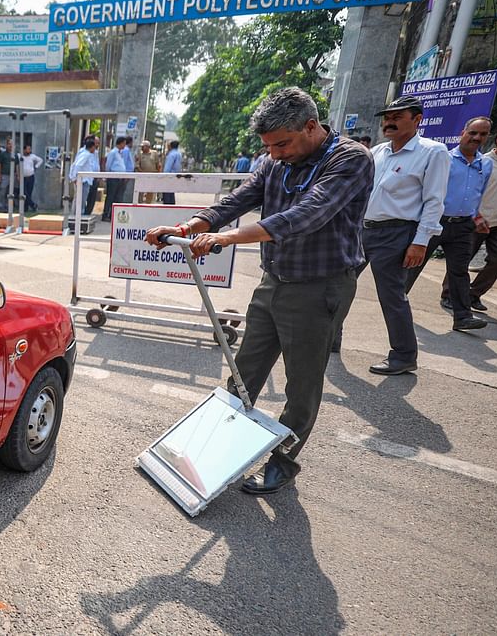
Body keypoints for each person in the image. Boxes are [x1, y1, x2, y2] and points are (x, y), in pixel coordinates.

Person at [145, 87, 372, 495]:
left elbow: (305, 215)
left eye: (282, 144)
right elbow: (238, 199)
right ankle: (227, 446)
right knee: (243, 370)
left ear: (311, 126)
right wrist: (189, 227)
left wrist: (226, 238)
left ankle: (284, 458)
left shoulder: (350, 158)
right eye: (269, 147)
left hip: (319, 287)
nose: (276, 153)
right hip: (274, 282)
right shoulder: (275, 161)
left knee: (302, 384)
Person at [349, 95, 448, 374]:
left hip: (398, 233)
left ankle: (404, 354)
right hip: (363, 230)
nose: (389, 121)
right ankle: (330, 338)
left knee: (392, 295)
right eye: (387, 117)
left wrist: (420, 241)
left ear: (417, 120)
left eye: (397, 116)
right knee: (340, 283)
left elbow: (434, 201)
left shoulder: (433, 152)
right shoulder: (378, 152)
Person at [406, 116, 493, 331]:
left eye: (482, 134)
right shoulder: (444, 158)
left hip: (463, 226)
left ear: (488, 137)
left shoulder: (486, 164)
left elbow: (477, 194)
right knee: (413, 265)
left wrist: (477, 217)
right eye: (473, 132)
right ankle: (395, 302)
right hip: (435, 221)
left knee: (459, 271)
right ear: (463, 133)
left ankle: (462, 317)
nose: (476, 138)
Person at [439, 122, 497, 311]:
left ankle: (473, 295)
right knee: (462, 260)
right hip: (477, 219)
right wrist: (475, 216)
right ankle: (449, 295)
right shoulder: (483, 162)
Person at [68, 135, 100, 216]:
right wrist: (74, 177)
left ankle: (78, 215)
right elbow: (77, 165)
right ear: (91, 147)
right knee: (81, 200)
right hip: (83, 180)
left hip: (87, 179)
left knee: (81, 199)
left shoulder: (88, 154)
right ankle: (78, 216)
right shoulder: (86, 154)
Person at [103, 136, 130, 222]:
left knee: (118, 198)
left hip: (120, 178)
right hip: (113, 178)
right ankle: (106, 214)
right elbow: (108, 165)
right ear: (121, 143)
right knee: (110, 197)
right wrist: (108, 176)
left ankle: (113, 215)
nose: (124, 145)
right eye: (124, 143)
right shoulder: (113, 152)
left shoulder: (120, 153)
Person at [0, 138, 20, 211]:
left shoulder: (15, 155)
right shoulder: (3, 154)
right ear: (6, 145)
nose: (10, 145)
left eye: (12, 144)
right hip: (5, 175)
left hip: (13, 176)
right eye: (9, 144)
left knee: (11, 192)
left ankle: (8, 207)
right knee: (3, 191)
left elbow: (17, 166)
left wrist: (18, 175)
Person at [20, 144, 44, 212]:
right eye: (28, 149)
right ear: (24, 150)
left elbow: (40, 160)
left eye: (30, 149)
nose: (29, 150)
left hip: (31, 177)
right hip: (23, 177)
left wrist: (36, 166)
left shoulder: (32, 156)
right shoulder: (20, 156)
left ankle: (26, 208)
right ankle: (33, 205)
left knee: (29, 193)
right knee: (24, 193)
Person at [161, 140, 182, 204]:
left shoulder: (171, 155)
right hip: (176, 175)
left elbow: (167, 167)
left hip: (169, 176)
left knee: (167, 193)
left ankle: (167, 207)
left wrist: (164, 176)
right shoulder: (179, 154)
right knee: (172, 192)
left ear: (170, 146)